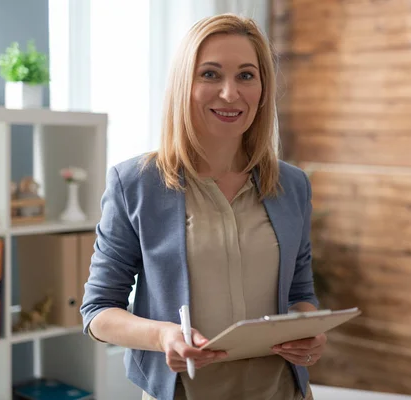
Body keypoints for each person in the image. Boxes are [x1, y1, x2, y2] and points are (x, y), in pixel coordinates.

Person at [80, 13, 326, 400]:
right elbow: (98, 312)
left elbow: (299, 291)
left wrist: (308, 330)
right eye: (210, 74)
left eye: (246, 76)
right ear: (184, 84)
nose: (230, 93)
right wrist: (163, 335)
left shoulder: (292, 185)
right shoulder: (135, 184)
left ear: (263, 88)